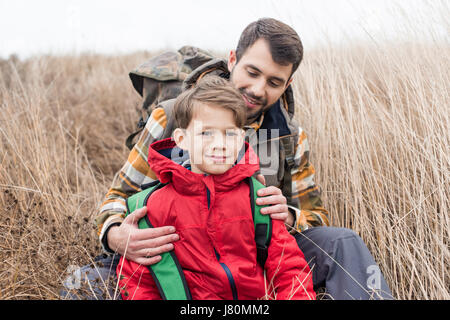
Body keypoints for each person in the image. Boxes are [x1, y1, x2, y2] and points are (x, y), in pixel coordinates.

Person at [61, 17, 392, 300]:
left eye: (274, 82)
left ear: (287, 83)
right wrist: (119, 236)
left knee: (342, 243)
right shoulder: (173, 117)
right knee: (78, 286)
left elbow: (314, 216)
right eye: (252, 71)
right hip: (174, 258)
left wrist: (288, 216)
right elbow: (117, 198)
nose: (259, 89)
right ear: (233, 58)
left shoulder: (289, 137)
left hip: (253, 258)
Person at [116, 76, 315, 300]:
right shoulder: (154, 207)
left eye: (229, 133)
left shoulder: (257, 199)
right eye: (206, 133)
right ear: (182, 139)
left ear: (241, 138)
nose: (219, 144)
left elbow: (288, 267)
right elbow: (137, 280)